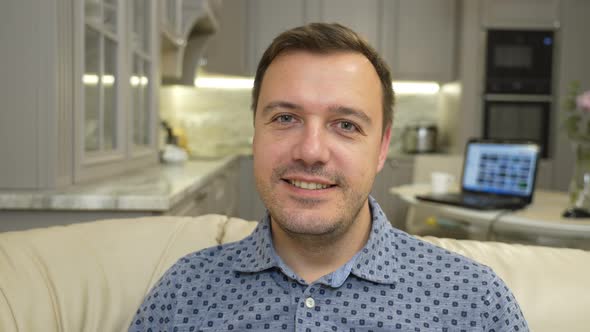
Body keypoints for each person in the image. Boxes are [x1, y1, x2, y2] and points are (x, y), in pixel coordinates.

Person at [129, 23, 529, 331]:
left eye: (346, 125)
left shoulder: (474, 302)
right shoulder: (183, 293)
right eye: (285, 118)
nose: (311, 151)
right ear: (255, 132)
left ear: (382, 148)